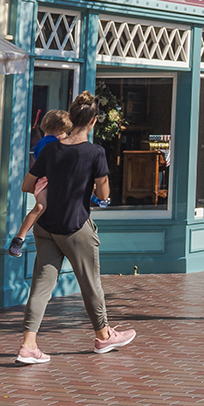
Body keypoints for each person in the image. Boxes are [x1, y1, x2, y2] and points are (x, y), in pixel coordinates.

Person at [16, 94, 137, 366]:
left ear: (70, 117)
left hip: (45, 226)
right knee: (90, 283)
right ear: (93, 121)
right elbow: (104, 193)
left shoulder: (50, 149)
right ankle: (104, 335)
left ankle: (28, 345)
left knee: (40, 287)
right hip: (75, 226)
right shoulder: (94, 153)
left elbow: (27, 185)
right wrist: (92, 188)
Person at [8, 109, 71, 258]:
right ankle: (20, 237)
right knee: (40, 205)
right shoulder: (51, 144)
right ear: (59, 130)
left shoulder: (45, 141)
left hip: (47, 179)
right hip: (45, 180)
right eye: (66, 132)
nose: (67, 135)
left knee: (45, 206)